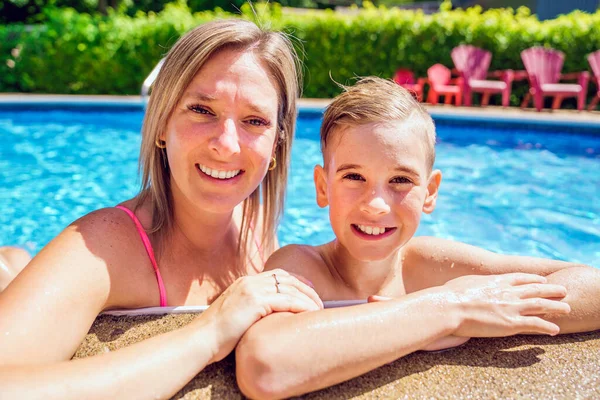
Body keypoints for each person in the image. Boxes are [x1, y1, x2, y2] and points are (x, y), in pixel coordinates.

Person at [0, 19, 323, 398]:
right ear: (161, 125)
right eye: (202, 110)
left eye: (254, 120)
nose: (228, 145)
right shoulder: (104, 246)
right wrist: (209, 332)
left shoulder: (256, 230)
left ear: (276, 146)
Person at [235, 77, 600, 399]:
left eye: (401, 180)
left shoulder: (429, 264)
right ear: (322, 186)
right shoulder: (300, 267)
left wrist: (468, 312)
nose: (376, 204)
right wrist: (444, 311)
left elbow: (591, 284)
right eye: (353, 177)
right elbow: (265, 367)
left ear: (430, 192)